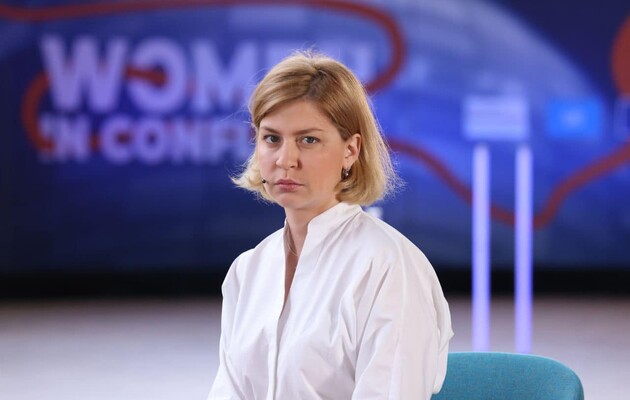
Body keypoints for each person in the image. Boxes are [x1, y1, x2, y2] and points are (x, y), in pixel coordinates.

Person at [208, 51, 453, 400]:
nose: (285, 160)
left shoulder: (388, 266)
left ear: (351, 150)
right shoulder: (247, 271)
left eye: (308, 140)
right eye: (272, 138)